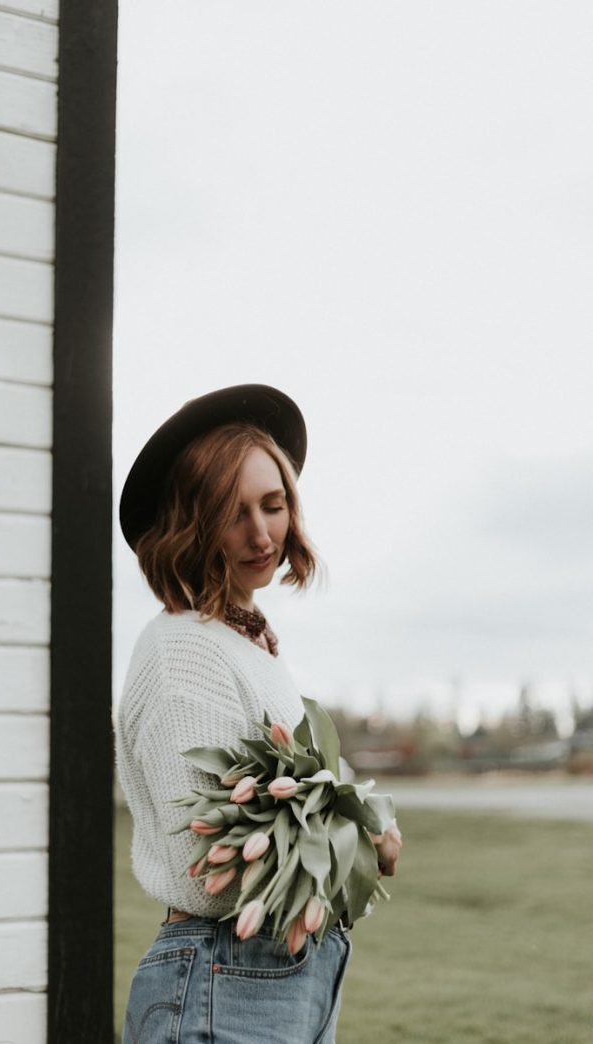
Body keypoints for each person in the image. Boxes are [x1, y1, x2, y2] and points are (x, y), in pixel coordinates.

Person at [115, 384, 401, 1044]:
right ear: (191, 523)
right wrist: (364, 829)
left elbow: (301, 784)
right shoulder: (183, 650)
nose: (262, 531)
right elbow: (210, 867)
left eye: (273, 505)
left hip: (275, 978)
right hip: (227, 976)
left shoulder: (243, 644)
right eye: (233, 512)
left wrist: (362, 812)